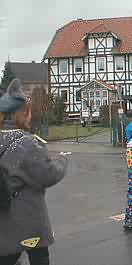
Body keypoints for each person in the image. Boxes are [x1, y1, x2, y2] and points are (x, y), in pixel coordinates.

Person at [0, 79, 68, 265]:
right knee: (39, 257)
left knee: (7, 255)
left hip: (4, 218)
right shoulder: (27, 143)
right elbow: (48, 174)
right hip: (28, 218)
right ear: (22, 114)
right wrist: (62, 159)